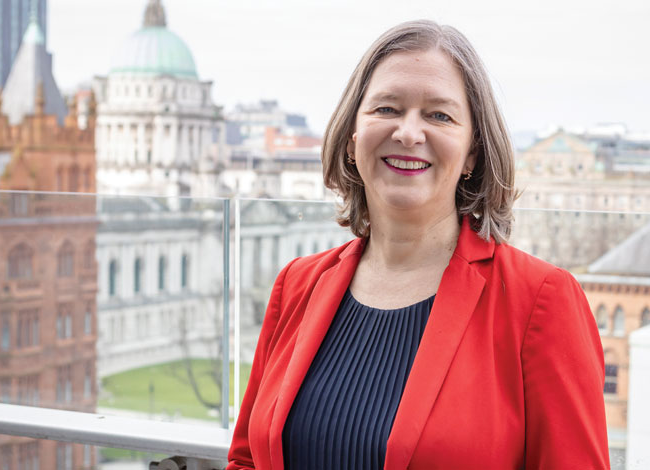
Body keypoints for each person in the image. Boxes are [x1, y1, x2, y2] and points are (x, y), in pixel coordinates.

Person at [227, 20, 609, 470]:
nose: (409, 133)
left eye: (439, 115)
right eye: (387, 108)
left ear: (471, 153)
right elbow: (247, 459)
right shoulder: (298, 284)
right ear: (352, 138)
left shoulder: (540, 301)